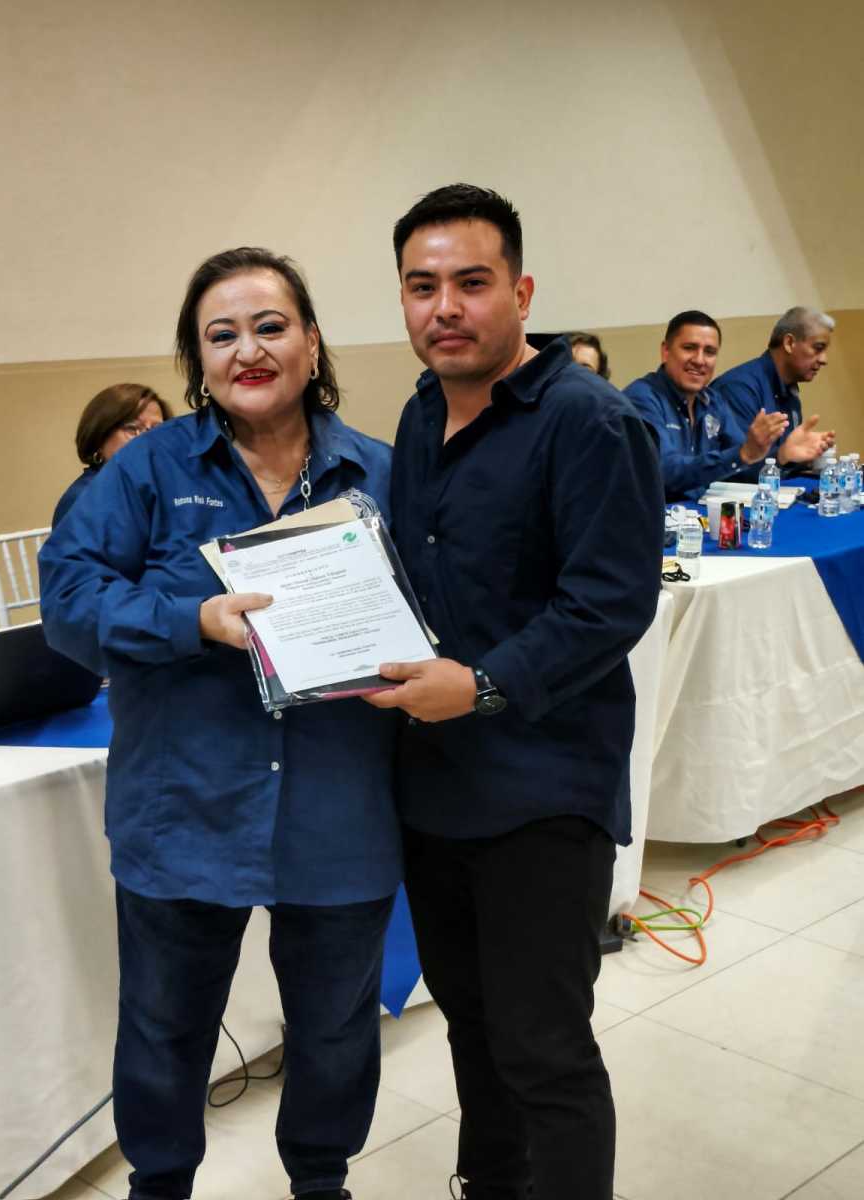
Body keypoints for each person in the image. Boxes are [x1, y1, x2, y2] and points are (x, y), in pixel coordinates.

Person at [39, 247, 401, 1200]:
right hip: (183, 809)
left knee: (336, 1030)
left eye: (271, 327)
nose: (249, 350)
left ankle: (320, 1180)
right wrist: (188, 621)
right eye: (222, 334)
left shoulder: (382, 473)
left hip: (339, 808)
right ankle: (160, 1186)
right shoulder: (145, 471)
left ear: (311, 341)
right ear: (197, 359)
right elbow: (68, 599)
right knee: (164, 1032)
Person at [366, 183, 664, 1200]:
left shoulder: (592, 422)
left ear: (522, 293)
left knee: (545, 1049)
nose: (445, 307)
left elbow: (610, 604)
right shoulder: (419, 416)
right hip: (436, 788)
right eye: (422, 286)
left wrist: (486, 686)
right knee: (473, 1023)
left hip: (543, 790)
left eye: (472, 282)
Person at [624, 311, 827, 500]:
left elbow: (738, 468)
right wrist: (742, 454)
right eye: (689, 348)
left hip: (699, 514)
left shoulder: (712, 401)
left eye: (710, 352)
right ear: (666, 351)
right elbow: (665, 473)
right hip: (657, 518)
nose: (699, 360)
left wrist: (781, 455)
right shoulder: (642, 398)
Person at [715, 306, 836, 468]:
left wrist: (807, 456)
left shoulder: (789, 388)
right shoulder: (739, 389)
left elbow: (784, 460)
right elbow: (737, 467)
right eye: (818, 348)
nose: (824, 360)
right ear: (789, 343)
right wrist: (782, 455)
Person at [51, 383, 172, 526]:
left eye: (157, 429)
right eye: (132, 428)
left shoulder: (153, 489)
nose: (148, 439)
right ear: (99, 437)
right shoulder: (84, 500)